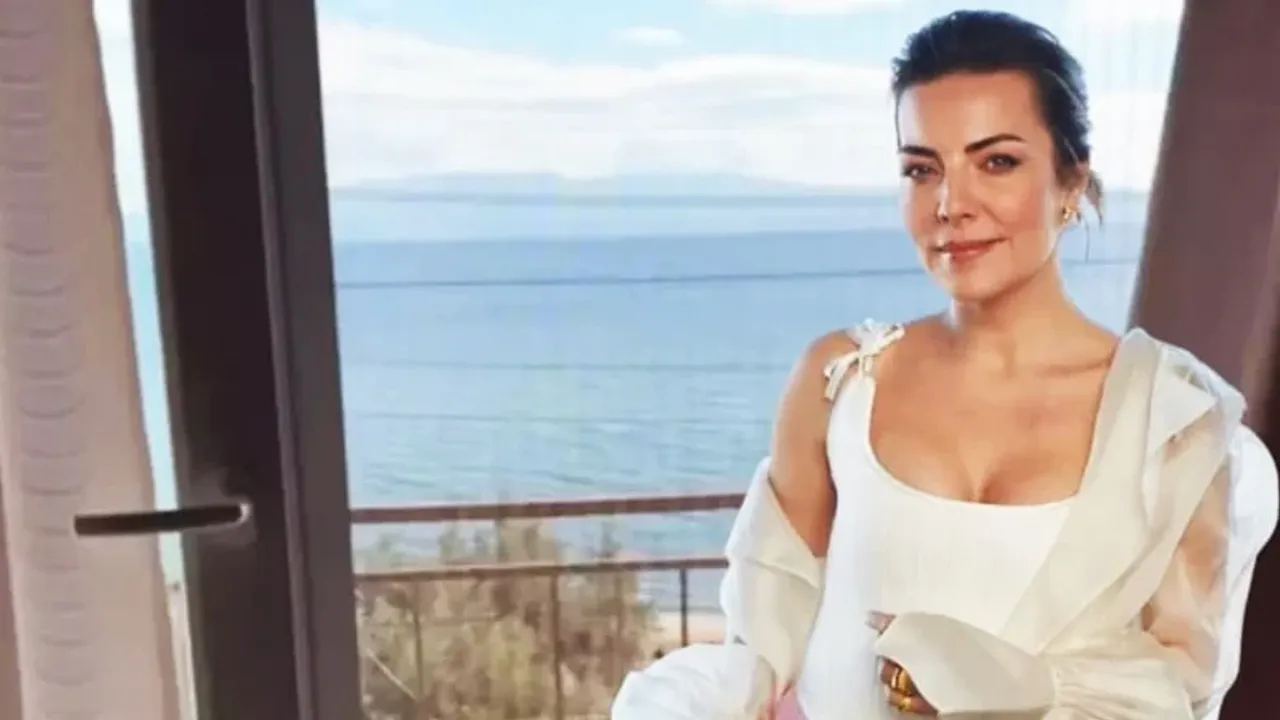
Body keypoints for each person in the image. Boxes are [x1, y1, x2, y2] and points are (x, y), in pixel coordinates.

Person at [612, 10, 1279, 720]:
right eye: (921, 169)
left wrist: (1028, 690)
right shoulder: (842, 381)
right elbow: (762, 641)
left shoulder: (1174, 420)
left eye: (997, 162)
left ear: (1070, 183)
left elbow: (1177, 683)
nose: (950, 205)